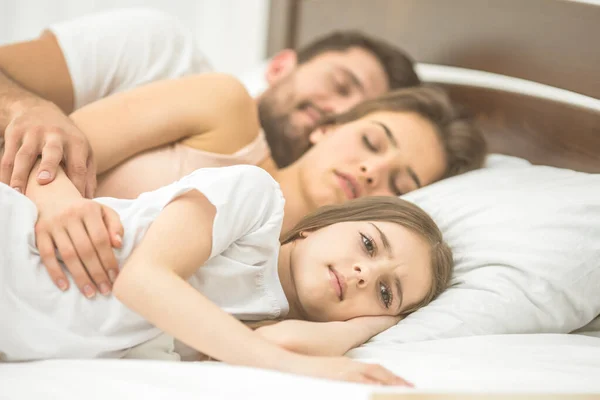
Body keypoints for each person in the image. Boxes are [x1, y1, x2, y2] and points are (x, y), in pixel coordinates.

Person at [20, 73, 485, 299]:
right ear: (329, 124)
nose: (370, 171)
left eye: (399, 182)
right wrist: (57, 203)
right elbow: (46, 145)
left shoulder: (308, 288)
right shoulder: (222, 107)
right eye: (370, 141)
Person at [0, 160, 453, 387]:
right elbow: (143, 281)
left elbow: (271, 346)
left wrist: (373, 324)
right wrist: (301, 366)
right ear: (318, 226)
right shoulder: (255, 201)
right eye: (369, 245)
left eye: (385, 291)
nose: (362, 274)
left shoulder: (257, 328)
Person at [0, 7, 421, 195]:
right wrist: (24, 105)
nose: (335, 111)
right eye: (340, 85)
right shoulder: (159, 48)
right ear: (280, 67)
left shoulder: (276, 222)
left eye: (355, 119)